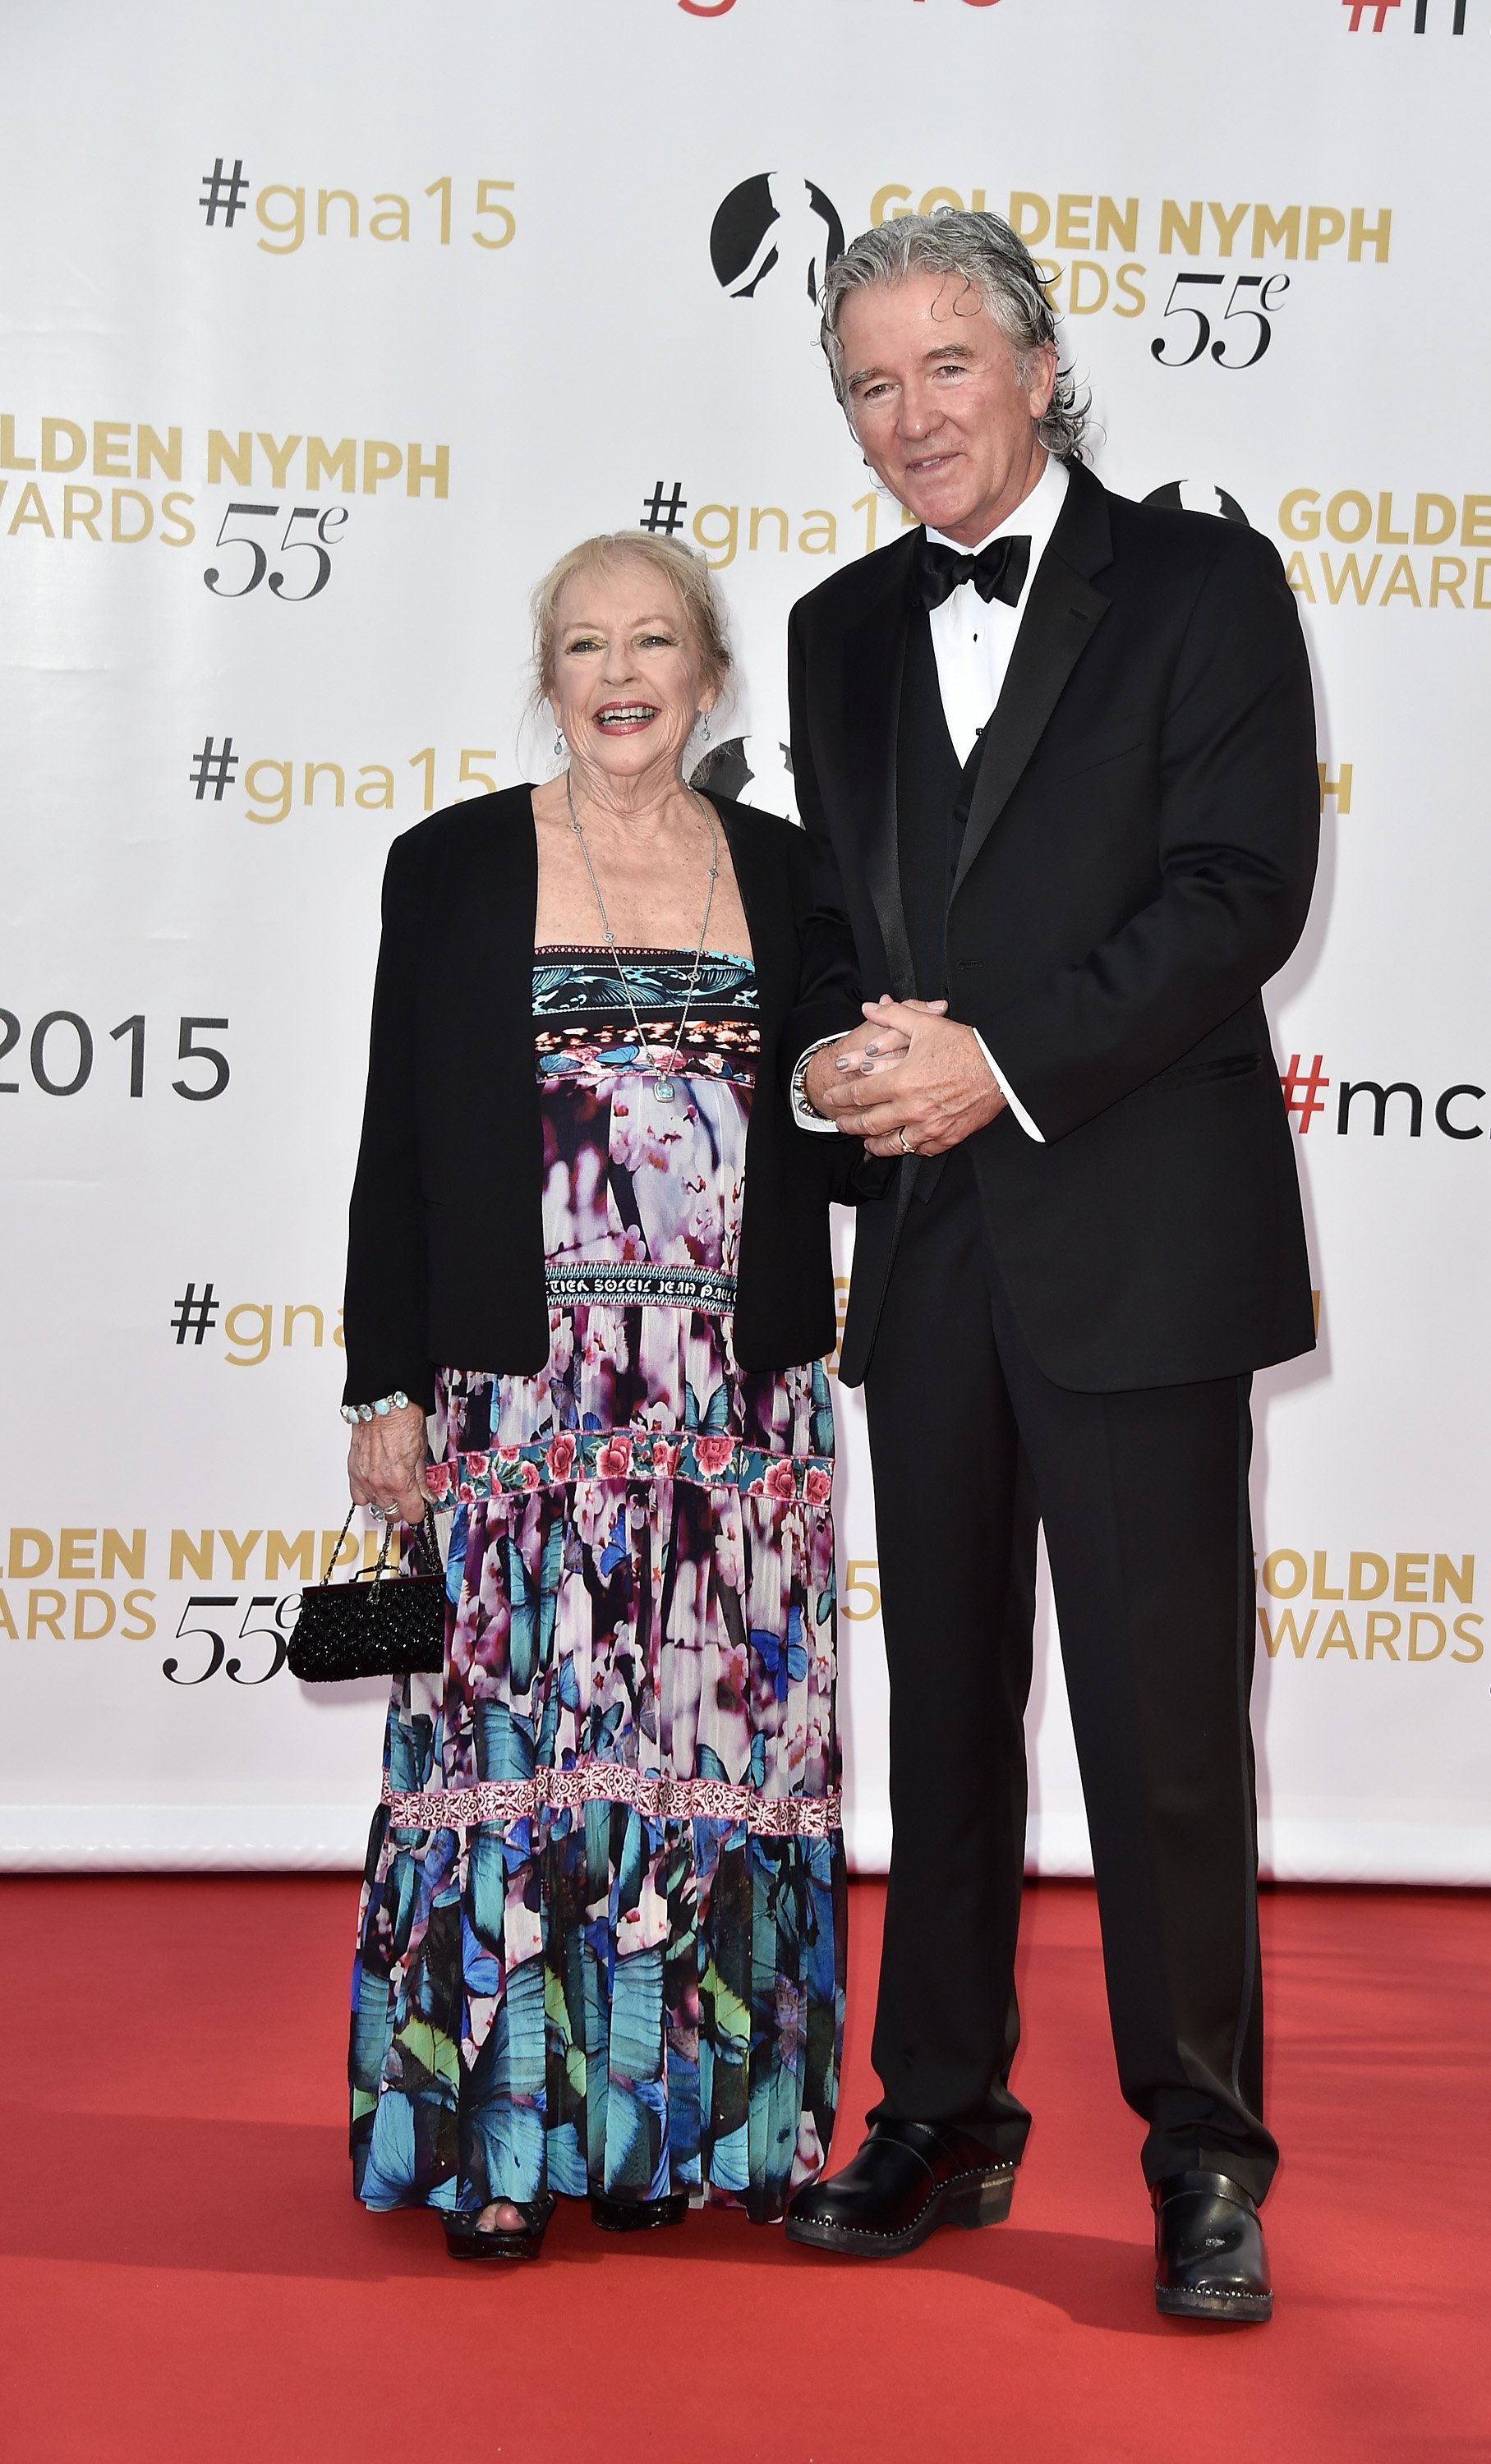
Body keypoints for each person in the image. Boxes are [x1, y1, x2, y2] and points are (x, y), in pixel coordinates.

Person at [780, 212, 1319, 2323]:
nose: (909, 419)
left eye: (942, 370)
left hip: (1138, 1241)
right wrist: (840, 1058)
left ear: (1035, 363)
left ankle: (1204, 2154)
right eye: (868, 387)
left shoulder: (1201, 582)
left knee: (1165, 1723)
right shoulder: (832, 627)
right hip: (927, 1251)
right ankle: (940, 2110)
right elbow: (829, 910)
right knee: (946, 1722)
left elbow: (1235, 891)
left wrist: (999, 1065)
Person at [339, 532, 853, 2260]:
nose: (619, 673)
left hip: (738, 1414)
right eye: (582, 644)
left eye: (653, 641)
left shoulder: (793, 876)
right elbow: (395, 1150)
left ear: (710, 678)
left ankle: (673, 2139)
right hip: (519, 1403)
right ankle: (495, 2144)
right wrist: (382, 1384)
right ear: (547, 677)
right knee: (512, 1755)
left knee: (713, 1756)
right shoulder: (459, 866)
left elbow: (840, 1127)